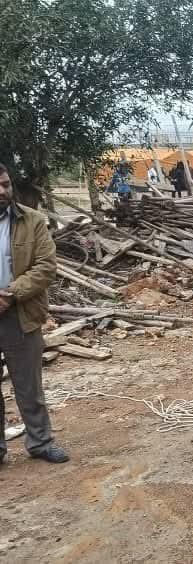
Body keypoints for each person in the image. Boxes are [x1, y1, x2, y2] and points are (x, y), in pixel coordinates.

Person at [0, 163, 70, 466]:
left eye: (5, 185)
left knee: (29, 385)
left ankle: (40, 442)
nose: (3, 192)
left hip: (20, 312)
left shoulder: (32, 221)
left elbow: (45, 266)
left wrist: (10, 294)